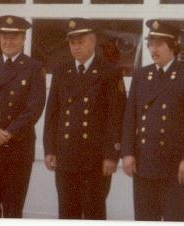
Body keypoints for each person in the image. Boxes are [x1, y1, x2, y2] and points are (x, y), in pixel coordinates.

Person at [121, 19, 184, 221]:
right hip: (143, 164)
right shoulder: (141, 75)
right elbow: (129, 118)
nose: (153, 49)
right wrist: (127, 153)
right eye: (151, 44)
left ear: (173, 47)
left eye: (159, 45)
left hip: (174, 167)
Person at [43, 18, 126, 219]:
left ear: (93, 41)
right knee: (67, 212)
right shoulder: (62, 71)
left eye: (80, 42)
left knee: (93, 213)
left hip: (95, 159)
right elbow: (52, 114)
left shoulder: (110, 72)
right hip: (66, 155)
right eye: (72, 43)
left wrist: (111, 155)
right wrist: (50, 149)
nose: (76, 47)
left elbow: (117, 116)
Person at [0, 15, 46, 218]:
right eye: (4, 36)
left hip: (17, 149)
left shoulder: (34, 68)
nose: (8, 41)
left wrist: (7, 133)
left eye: (14, 37)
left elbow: (34, 108)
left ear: (23, 39)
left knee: (13, 211)